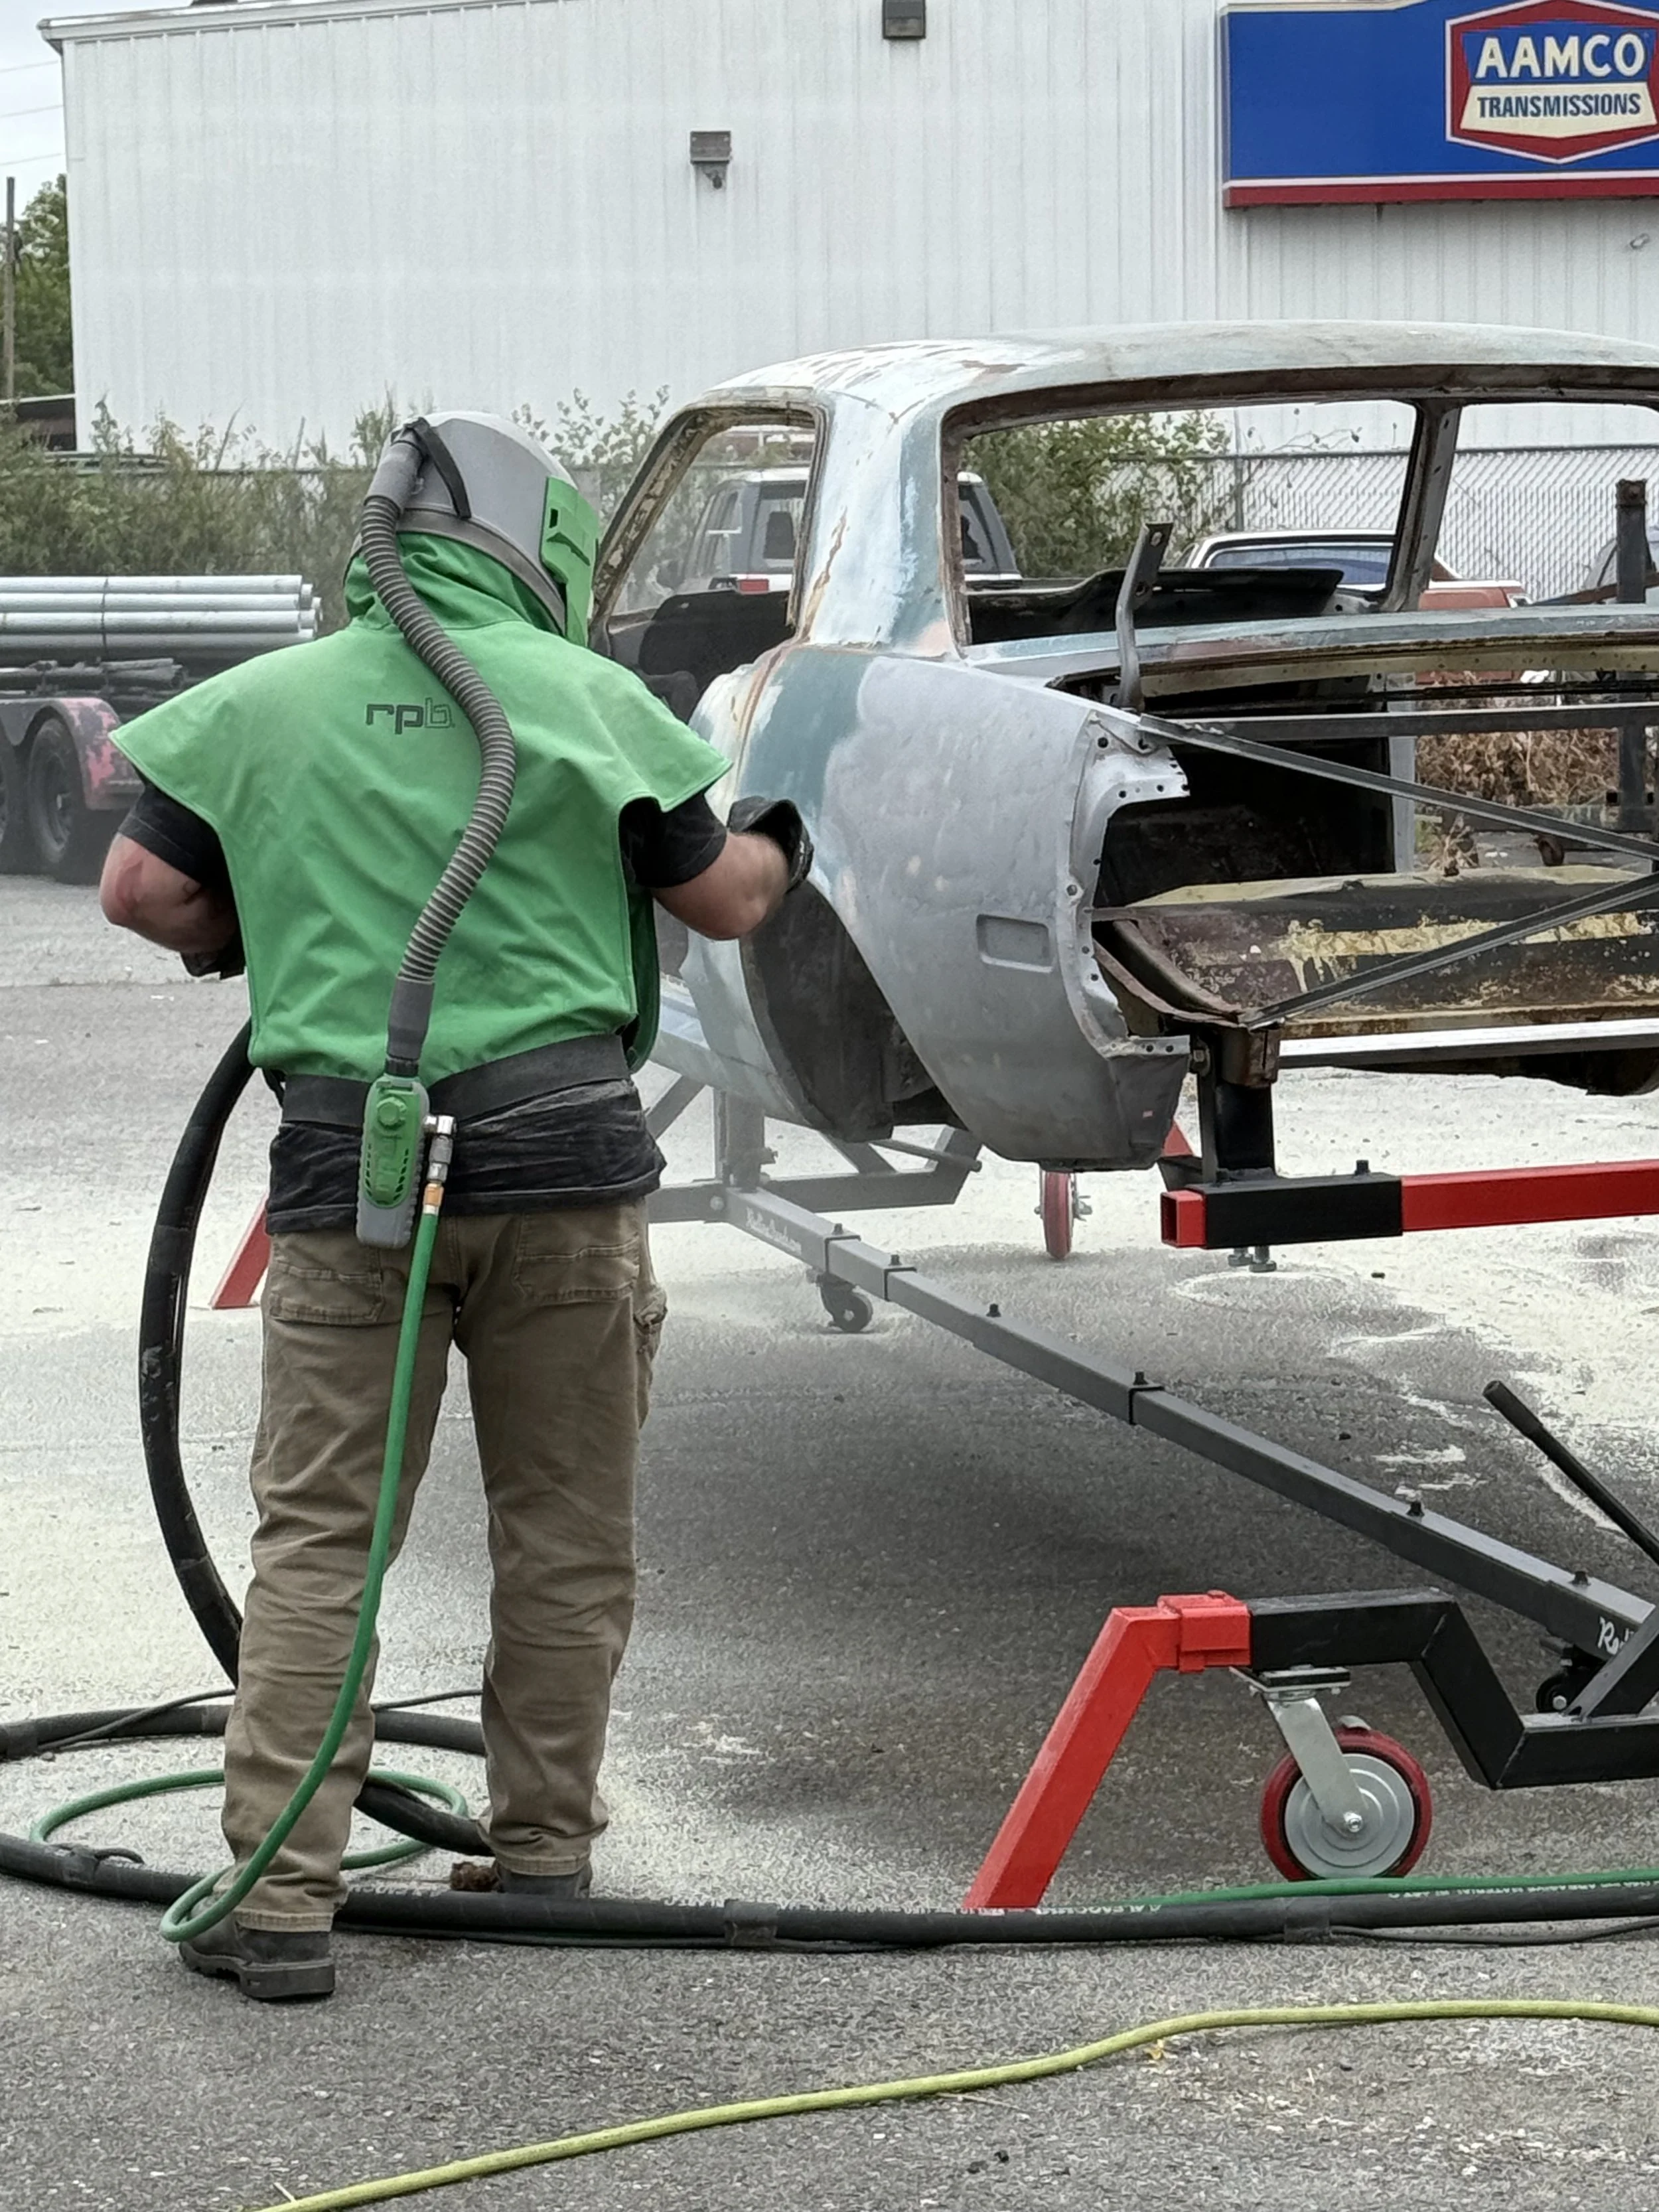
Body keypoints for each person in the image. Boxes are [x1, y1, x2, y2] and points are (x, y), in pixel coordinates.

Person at [100, 413, 812, 2002]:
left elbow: (142, 894)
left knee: (322, 1540)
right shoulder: (584, 700)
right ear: (526, 544)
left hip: (352, 1181)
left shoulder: (259, 708)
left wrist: (266, 917)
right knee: (562, 1531)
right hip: (564, 1180)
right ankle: (544, 1850)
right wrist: (781, 834)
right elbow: (721, 900)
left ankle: (281, 1898)